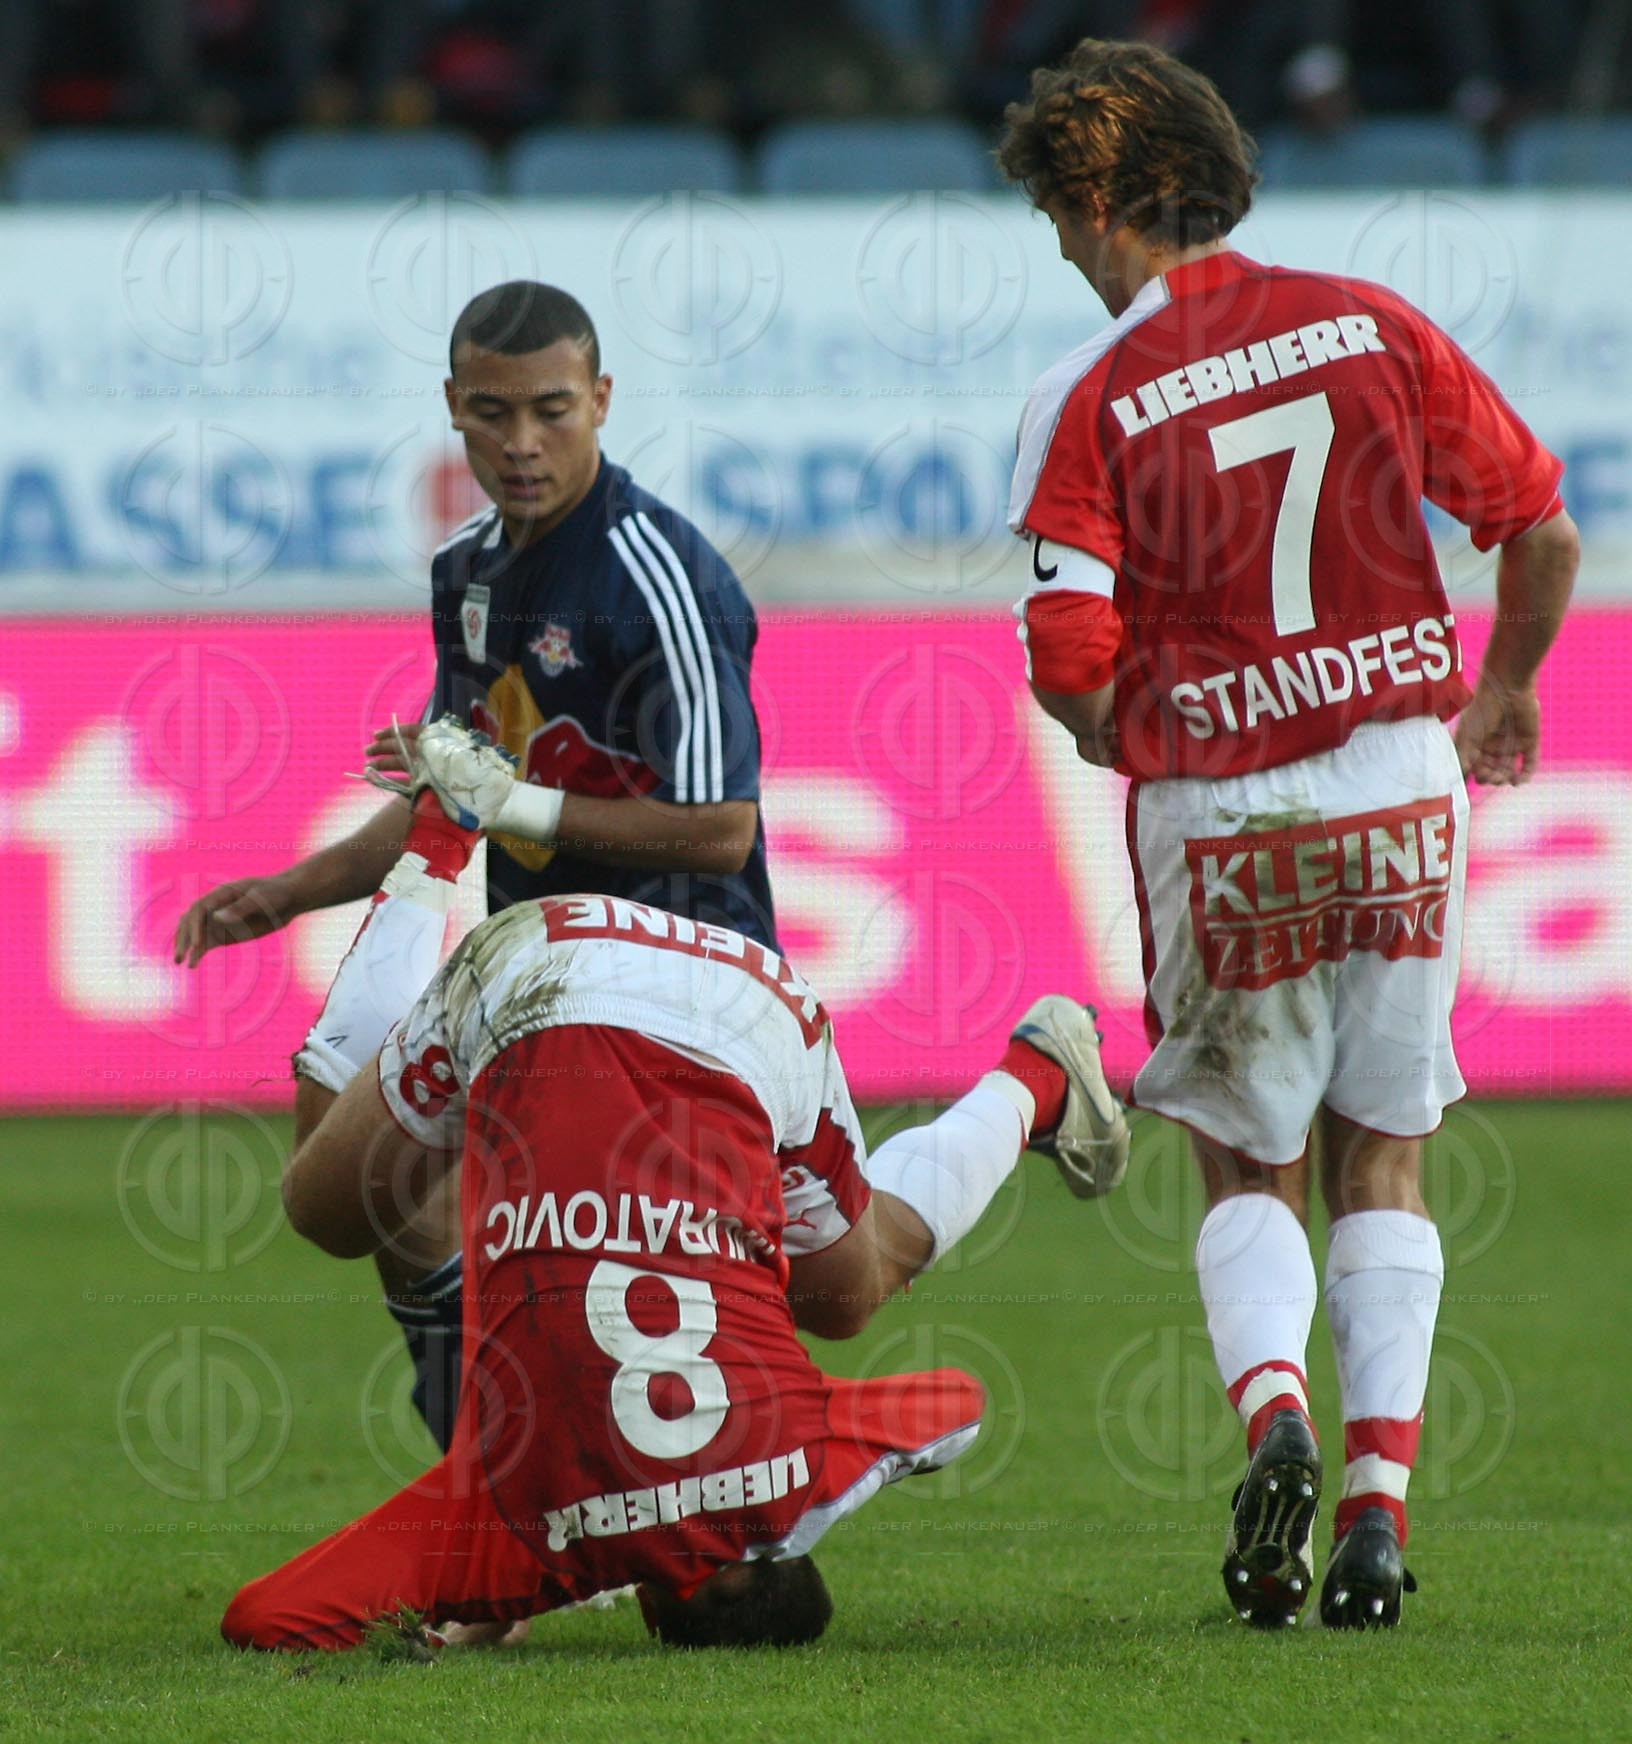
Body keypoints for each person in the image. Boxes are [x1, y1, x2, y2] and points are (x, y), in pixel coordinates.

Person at [995, 38, 1578, 1629]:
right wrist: (1505, 694)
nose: (1061, 250)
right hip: (1403, 780)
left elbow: (1068, 670)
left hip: (1226, 810)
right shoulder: (1372, 324)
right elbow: (1542, 523)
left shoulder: (1094, 386)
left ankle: (1278, 1428)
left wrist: (1167, 747)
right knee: (1384, 1156)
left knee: (1245, 1166)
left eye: (1060, 215)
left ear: (1107, 200)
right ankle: (1380, 1517)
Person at [221, 731, 1130, 1651]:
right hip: (539, 969)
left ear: (774, 1554)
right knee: (332, 1213)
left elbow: (959, 1404)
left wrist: (822, 1488)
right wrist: (498, 1595)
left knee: (856, 1288)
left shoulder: (802, 1467)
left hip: (744, 996)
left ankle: (1036, 1081)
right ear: (656, 1603)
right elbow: (264, 1618)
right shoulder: (525, 1537)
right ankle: (438, 840)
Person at [174, 281, 776, 1455]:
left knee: (836, 1285)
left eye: (551, 409)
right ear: (452, 407)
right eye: (490, 414)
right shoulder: (467, 576)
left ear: (603, 400)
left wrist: (523, 801)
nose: (520, 443)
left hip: (688, 979)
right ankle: (486, 1473)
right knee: (363, 1181)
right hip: (532, 976)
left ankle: (1028, 1085)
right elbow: (461, 792)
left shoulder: (663, 579)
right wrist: (290, 890)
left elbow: (721, 832)